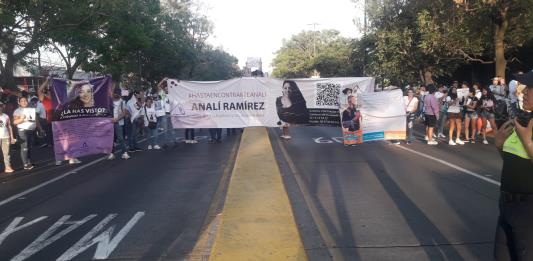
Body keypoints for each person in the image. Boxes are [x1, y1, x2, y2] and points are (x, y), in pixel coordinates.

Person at [493, 70, 533, 261]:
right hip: (507, 205)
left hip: (527, 208)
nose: (523, 92)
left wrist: (528, 142)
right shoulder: (523, 119)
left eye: (530, 89)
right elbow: (512, 160)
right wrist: (499, 144)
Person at [13, 96, 40, 170]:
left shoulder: (31, 110)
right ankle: (25, 164)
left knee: (29, 147)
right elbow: (15, 122)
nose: (24, 102)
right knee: (24, 147)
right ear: (19, 102)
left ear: (27, 101)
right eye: (22, 101)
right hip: (22, 130)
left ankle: (29, 162)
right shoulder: (17, 111)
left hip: (31, 130)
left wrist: (40, 129)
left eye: (25, 100)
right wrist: (22, 119)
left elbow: (36, 120)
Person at [108, 91, 130, 160]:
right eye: (114, 92)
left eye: (117, 93)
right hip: (110, 122)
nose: (115, 94)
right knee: (111, 139)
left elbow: (124, 113)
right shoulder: (109, 102)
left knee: (120, 138)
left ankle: (124, 153)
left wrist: (117, 119)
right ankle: (112, 154)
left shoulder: (122, 102)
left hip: (118, 122)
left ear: (119, 94)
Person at [0, 102, 15, 173]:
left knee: (6, 152)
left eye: (0, 106)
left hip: (5, 136)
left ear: (2, 107)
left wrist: (11, 137)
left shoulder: (6, 116)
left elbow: (9, 126)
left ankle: (8, 166)